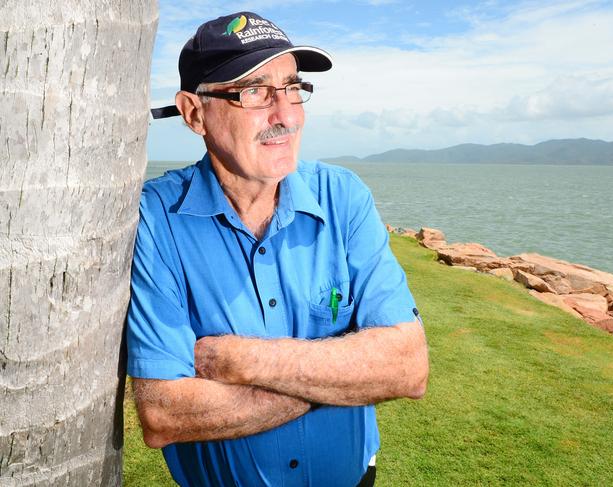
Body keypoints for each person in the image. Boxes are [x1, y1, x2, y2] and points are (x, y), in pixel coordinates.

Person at [127, 11, 429, 487]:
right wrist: (343, 378)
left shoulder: (343, 196)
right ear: (193, 113)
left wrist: (238, 361)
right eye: (254, 92)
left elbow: (407, 367)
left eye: (292, 88)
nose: (285, 114)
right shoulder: (155, 219)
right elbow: (165, 412)